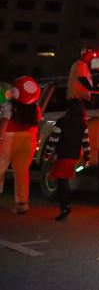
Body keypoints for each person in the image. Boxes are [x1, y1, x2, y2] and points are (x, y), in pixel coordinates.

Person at [0, 76, 42, 214]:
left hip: (9, 138)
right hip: (29, 139)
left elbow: (4, 122)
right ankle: (22, 203)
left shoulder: (10, 105)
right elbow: (38, 122)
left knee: (1, 167)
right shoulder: (36, 108)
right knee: (22, 171)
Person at [43, 98, 90, 221]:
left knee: (62, 182)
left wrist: (47, 153)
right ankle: (65, 206)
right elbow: (86, 142)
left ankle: (65, 207)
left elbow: (54, 139)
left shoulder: (62, 122)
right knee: (65, 181)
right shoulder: (82, 124)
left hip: (63, 155)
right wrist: (87, 157)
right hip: (74, 156)